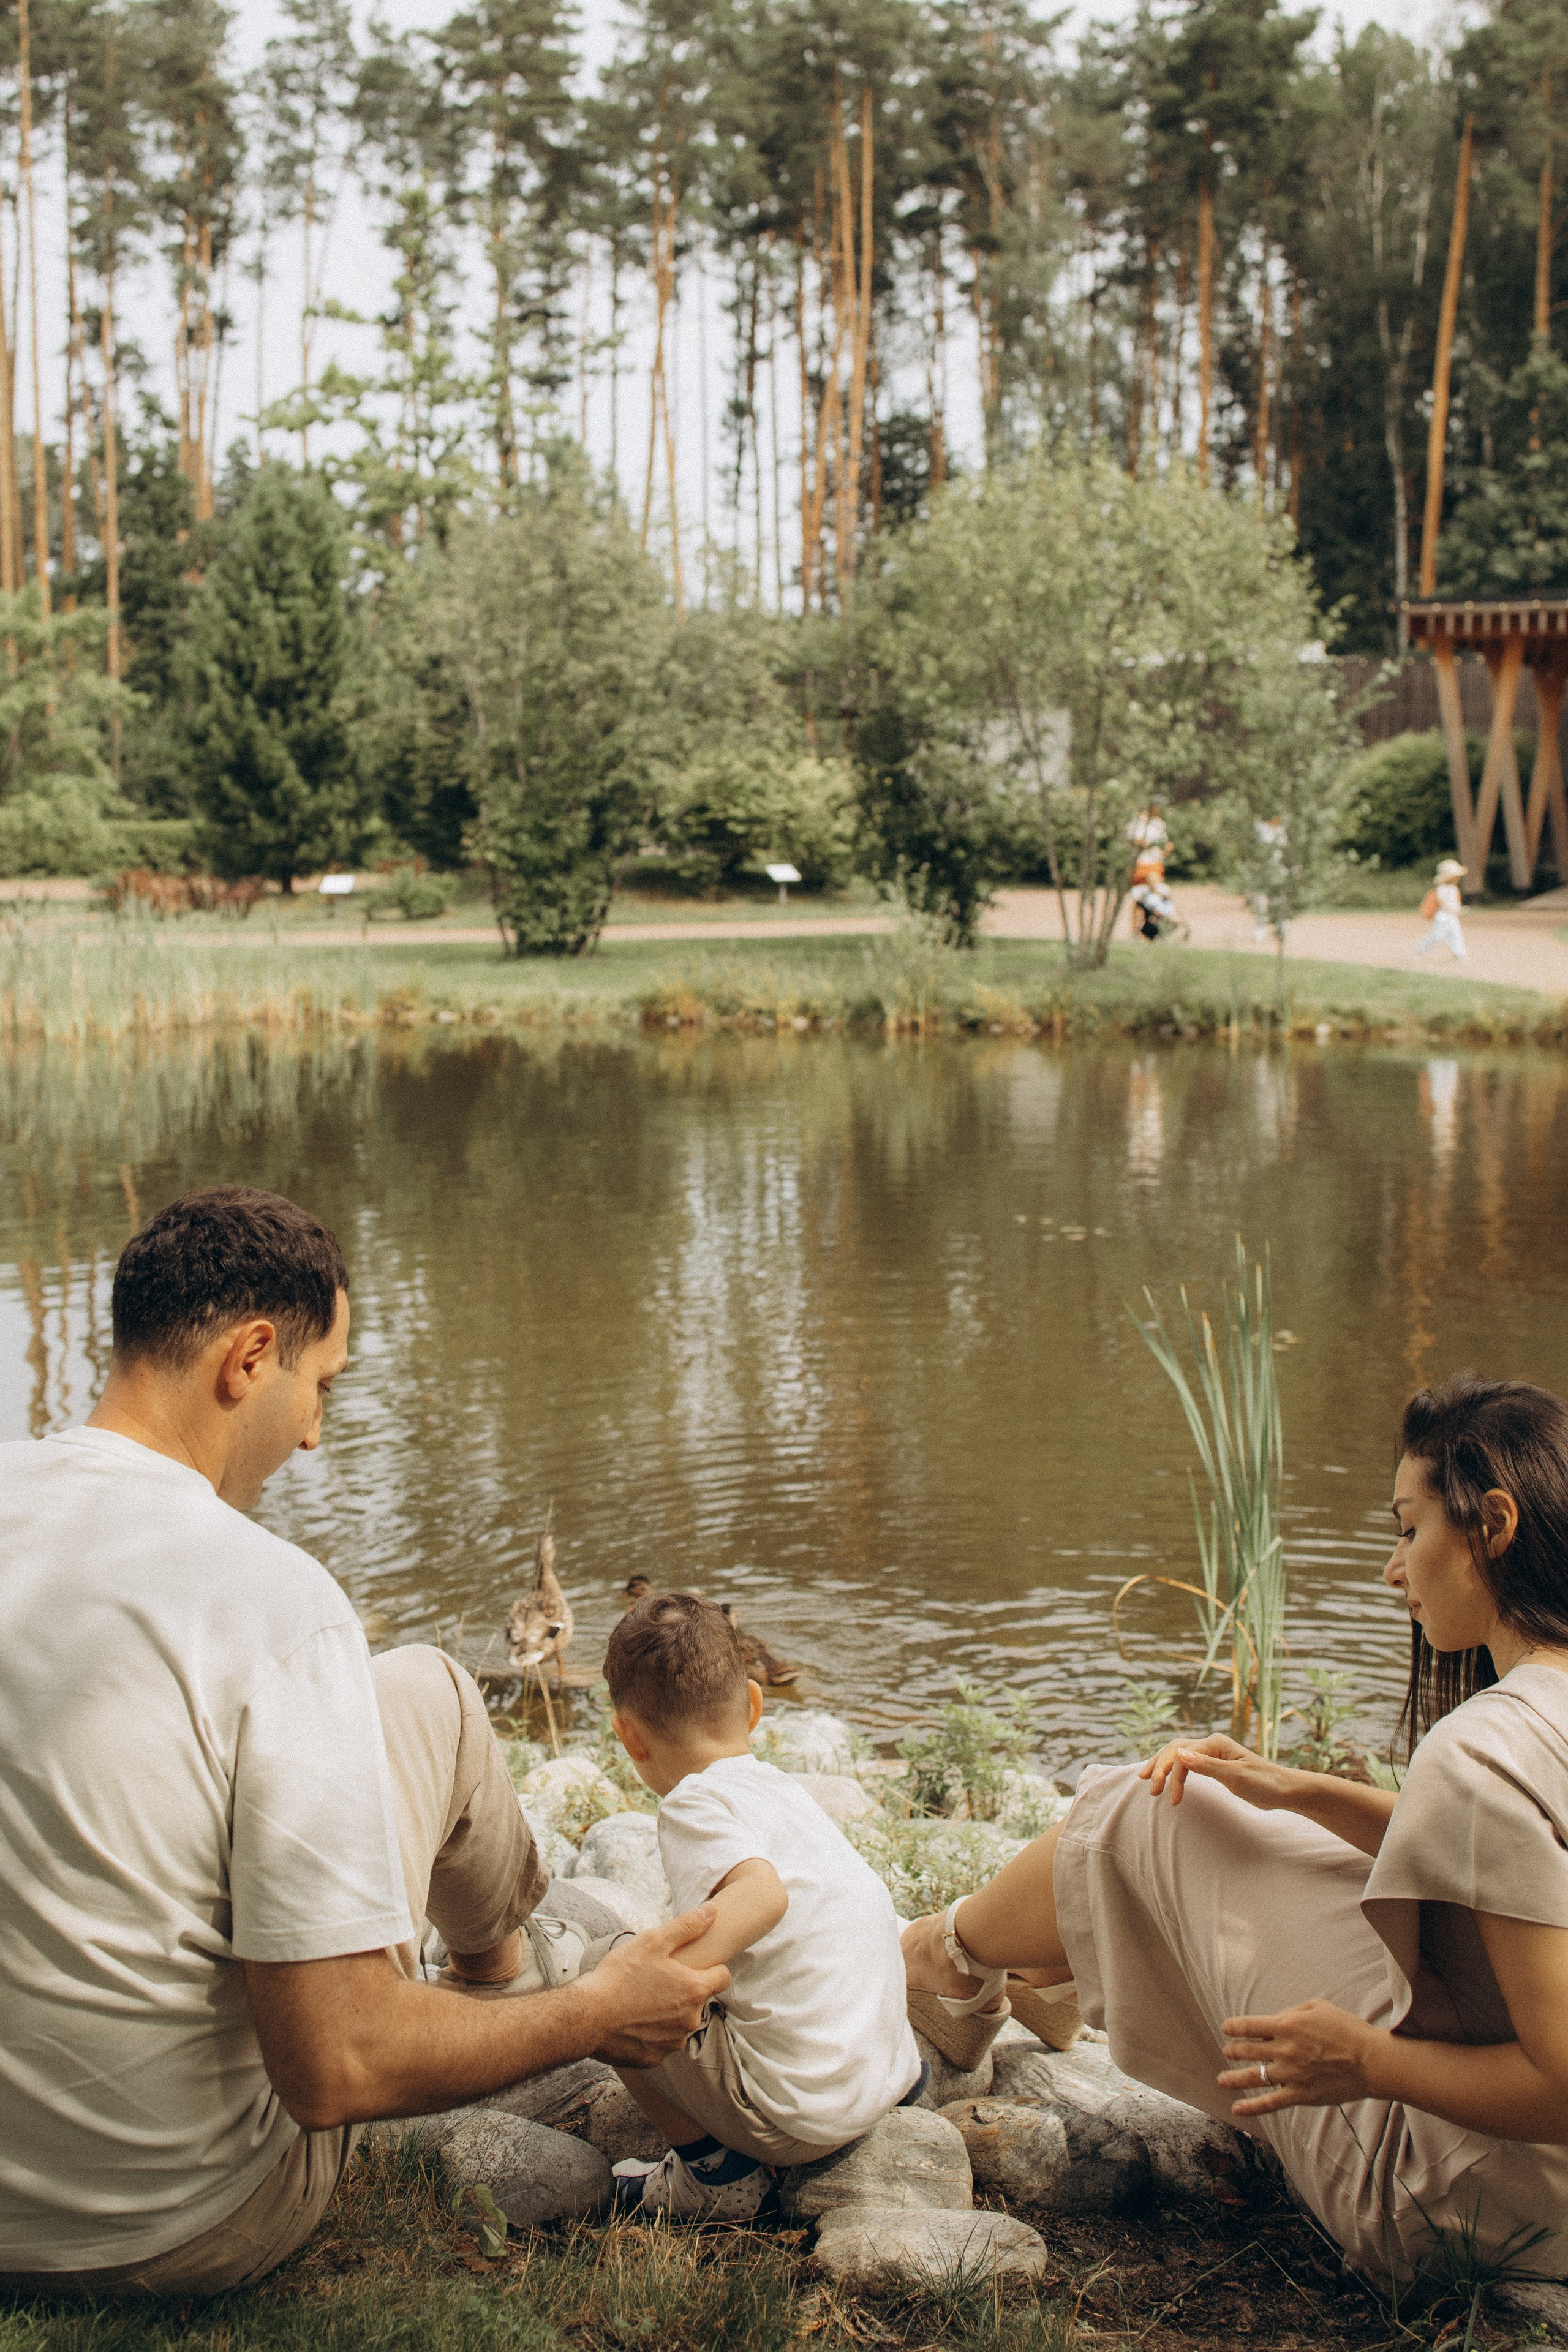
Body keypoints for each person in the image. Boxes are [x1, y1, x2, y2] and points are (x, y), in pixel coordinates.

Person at [0, 1186, 727, 2296]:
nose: (314, 1432)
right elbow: (333, 2068)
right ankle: (505, 1983)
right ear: (249, 1358)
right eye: (318, 1385)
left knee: (415, 1689)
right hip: (166, 2223)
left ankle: (488, 1974)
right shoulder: (270, 1601)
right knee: (434, 1689)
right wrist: (592, 2015)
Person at [902, 1376, 1568, 2283]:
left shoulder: (1485, 1746)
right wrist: (1294, 1789)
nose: (1393, 1565)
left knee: (1153, 1807)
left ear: (1493, 1525)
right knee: (1242, 1816)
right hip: (1529, 2178)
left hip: (1459, 2193)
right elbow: (1504, 1867)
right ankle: (1032, 1967)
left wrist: (1367, 2062)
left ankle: (947, 1963)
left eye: (1410, 1529)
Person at [602, 1591, 924, 2221]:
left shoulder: (691, 1803)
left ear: (628, 1736)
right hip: (890, 2076)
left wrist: (650, 1981)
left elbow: (762, 1898)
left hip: (801, 2119)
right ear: (753, 1706)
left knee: (609, 1969)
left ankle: (714, 2178)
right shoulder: (782, 1790)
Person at [1415, 858, 1469, 963]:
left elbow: (1456, 903)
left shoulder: (1454, 889)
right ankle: (1420, 950)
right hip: (1443, 917)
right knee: (1436, 936)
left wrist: (1459, 910)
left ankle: (1460, 954)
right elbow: (1441, 902)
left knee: (1456, 934)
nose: (1457, 878)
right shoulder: (1442, 889)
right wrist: (1454, 910)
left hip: (1452, 916)